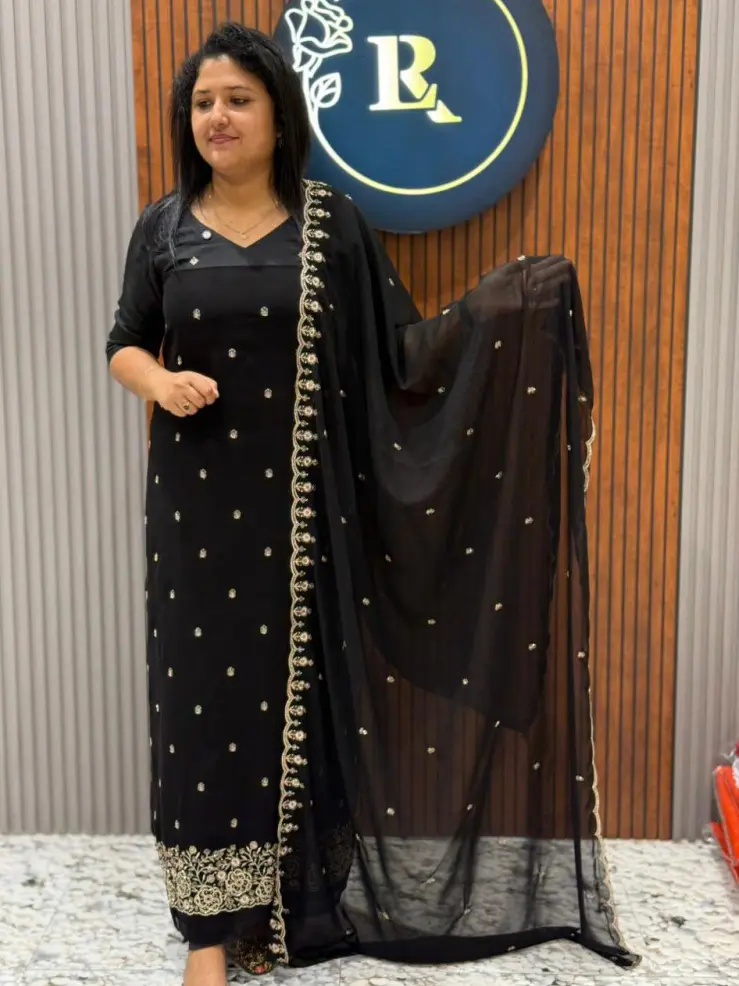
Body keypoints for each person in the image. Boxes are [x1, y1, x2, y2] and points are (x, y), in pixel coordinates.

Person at [107, 21, 638, 986]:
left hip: (308, 517)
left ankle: (284, 907)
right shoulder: (164, 225)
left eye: (237, 100)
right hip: (196, 514)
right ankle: (207, 931)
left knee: (292, 703)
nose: (217, 117)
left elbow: (398, 356)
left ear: (279, 116)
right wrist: (158, 382)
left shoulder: (330, 224)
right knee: (200, 706)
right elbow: (124, 341)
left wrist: (504, 312)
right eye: (202, 103)